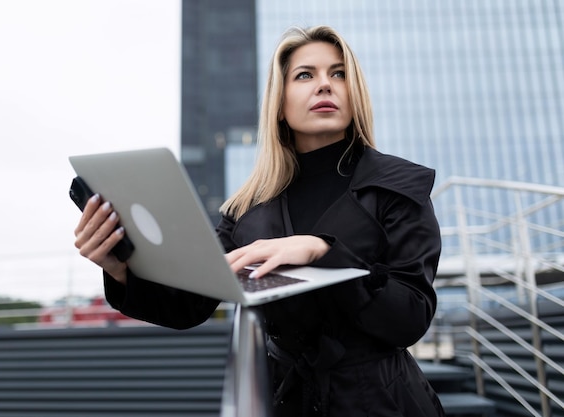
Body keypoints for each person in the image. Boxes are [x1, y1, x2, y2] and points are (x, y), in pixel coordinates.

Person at [74, 25, 445, 417]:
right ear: (279, 102)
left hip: (382, 403)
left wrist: (323, 252)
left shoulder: (398, 186)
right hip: (284, 400)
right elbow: (188, 305)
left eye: (338, 73)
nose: (325, 85)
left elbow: (411, 315)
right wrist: (120, 270)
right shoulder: (247, 207)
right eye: (305, 75)